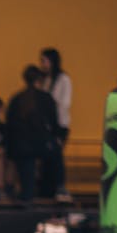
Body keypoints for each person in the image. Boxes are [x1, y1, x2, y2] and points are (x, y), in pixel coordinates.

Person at [6, 65, 61, 202]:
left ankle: (26, 208)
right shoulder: (46, 98)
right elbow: (54, 124)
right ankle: (59, 189)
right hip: (41, 145)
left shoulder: (16, 99)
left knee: (27, 186)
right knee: (55, 157)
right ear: (40, 80)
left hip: (20, 148)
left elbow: (9, 126)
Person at [39, 48, 70, 199]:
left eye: (44, 61)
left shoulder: (64, 79)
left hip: (59, 125)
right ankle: (47, 191)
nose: (42, 64)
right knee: (47, 159)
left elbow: (64, 104)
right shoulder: (45, 80)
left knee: (56, 156)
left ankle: (59, 187)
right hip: (45, 126)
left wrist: (57, 130)